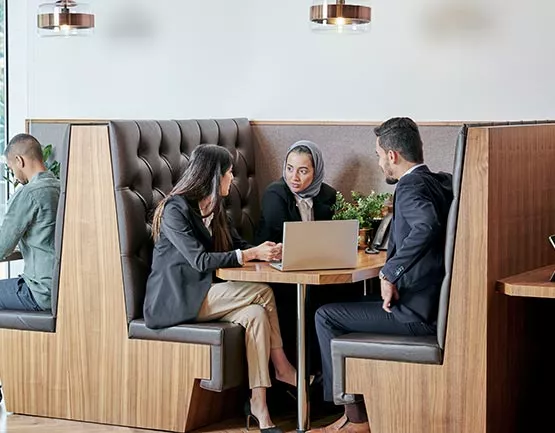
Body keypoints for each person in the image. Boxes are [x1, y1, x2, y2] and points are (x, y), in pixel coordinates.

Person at [311, 118, 454, 433]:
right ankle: (355, 413)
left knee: (325, 317)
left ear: (392, 155)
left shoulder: (411, 185)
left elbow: (426, 225)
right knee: (348, 303)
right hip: (431, 305)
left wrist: (389, 272)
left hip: (416, 314)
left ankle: (355, 419)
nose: (378, 163)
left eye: (378, 155)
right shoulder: (440, 181)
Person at [143, 144, 297, 433]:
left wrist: (265, 252)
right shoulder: (175, 209)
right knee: (263, 292)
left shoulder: (214, 207)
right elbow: (200, 260)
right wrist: (250, 255)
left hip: (205, 294)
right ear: (214, 176)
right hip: (176, 299)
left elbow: (237, 245)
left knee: (256, 315)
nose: (232, 178)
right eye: (229, 173)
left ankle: (259, 404)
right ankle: (282, 367)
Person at [0, 133, 60, 312]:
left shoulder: (29, 193)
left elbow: (2, 246)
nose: (14, 175)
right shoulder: (61, 187)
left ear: (19, 160)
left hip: (40, 292)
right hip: (61, 288)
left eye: (11, 168)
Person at [255, 140, 336, 245]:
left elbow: (329, 235)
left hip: (316, 252)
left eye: (302, 171)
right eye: (289, 169)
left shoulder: (328, 195)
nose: (294, 178)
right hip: (276, 253)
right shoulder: (274, 195)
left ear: (316, 172)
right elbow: (284, 238)